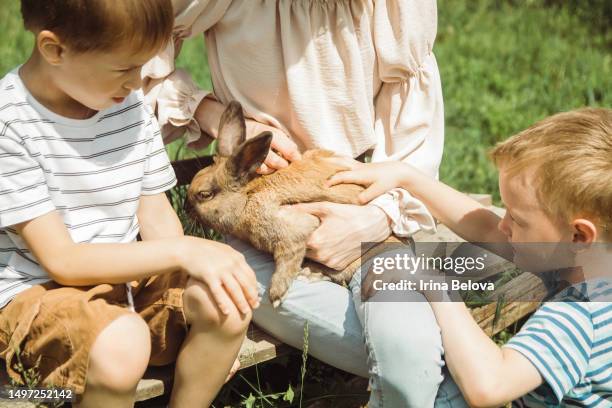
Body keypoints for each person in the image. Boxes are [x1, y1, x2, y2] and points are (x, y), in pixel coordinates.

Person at [144, 0, 454, 405]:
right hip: (251, 234)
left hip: (367, 217)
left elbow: (413, 139)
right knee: (415, 366)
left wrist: (377, 218)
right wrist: (210, 112)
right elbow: (123, 63)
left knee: (410, 356)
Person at [0, 1, 259, 407]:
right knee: (124, 342)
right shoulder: (10, 124)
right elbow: (62, 261)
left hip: (129, 282)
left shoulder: (124, 103)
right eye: (124, 69)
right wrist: (183, 250)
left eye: (142, 66)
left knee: (225, 299)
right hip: (39, 294)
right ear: (54, 49)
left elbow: (154, 213)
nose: (137, 82)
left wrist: (191, 264)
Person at [328, 108, 612, 406]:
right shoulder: (588, 265)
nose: (504, 225)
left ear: (579, 236)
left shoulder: (579, 314)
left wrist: (436, 286)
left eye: (517, 219)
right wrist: (406, 177)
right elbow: (488, 229)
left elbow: (489, 387)